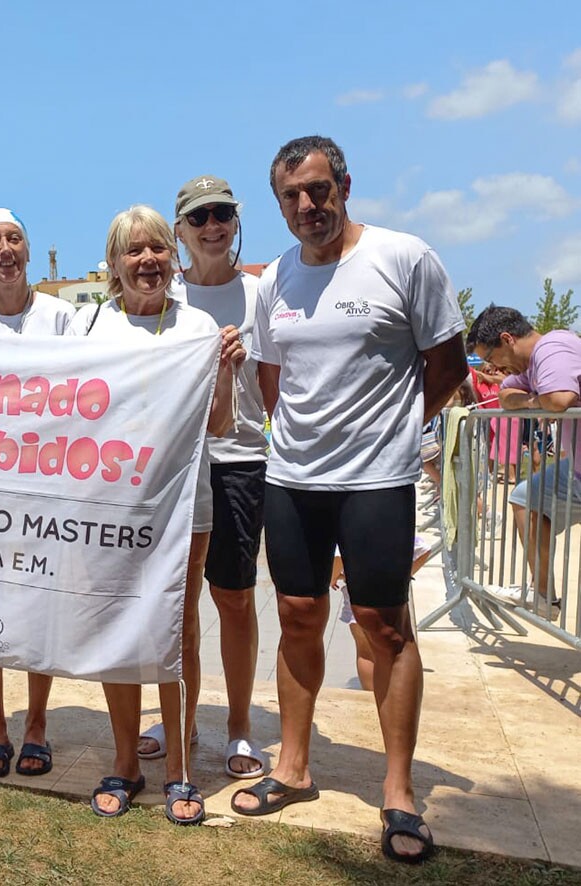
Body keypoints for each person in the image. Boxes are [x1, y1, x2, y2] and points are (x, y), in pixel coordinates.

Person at [238, 136, 466, 865]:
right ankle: (292, 766)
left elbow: (448, 366)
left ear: (342, 185)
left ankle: (397, 793)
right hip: (293, 479)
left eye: (316, 190)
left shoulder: (404, 258)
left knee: (383, 627)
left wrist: (393, 432)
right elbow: (273, 379)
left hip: (377, 479)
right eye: (291, 197)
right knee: (297, 615)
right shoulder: (276, 278)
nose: (306, 206)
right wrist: (302, 438)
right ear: (278, 205)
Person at [67, 205, 244, 825]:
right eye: (133, 251)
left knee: (178, 629)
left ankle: (178, 766)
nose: (147, 261)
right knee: (116, 627)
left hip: (183, 507)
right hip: (107, 507)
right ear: (113, 264)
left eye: (157, 250)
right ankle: (125, 761)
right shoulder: (89, 331)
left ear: (173, 256)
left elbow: (219, 425)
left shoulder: (199, 326)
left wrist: (224, 373)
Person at [133, 176, 268, 781]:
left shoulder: (260, 293)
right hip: (173, 470)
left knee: (234, 600)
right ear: (180, 230)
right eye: (199, 217)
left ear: (235, 222)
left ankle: (238, 726)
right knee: (175, 606)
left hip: (239, 462)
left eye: (223, 214)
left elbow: (276, 388)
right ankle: (179, 718)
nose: (212, 225)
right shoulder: (164, 294)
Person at [0, 209, 75, 779]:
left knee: (40, 608)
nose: (5, 250)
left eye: (14, 239)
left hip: (47, 488)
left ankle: (37, 726)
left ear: (28, 252)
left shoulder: (63, 318)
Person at [466, 305, 579, 620]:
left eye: (491, 357)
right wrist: (534, 400)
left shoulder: (553, 347)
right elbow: (506, 395)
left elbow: (559, 400)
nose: (493, 366)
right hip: (576, 470)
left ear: (506, 339)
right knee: (523, 497)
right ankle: (543, 596)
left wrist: (539, 400)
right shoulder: (533, 365)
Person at [331, 536, 435, 692]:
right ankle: (396, 697)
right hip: (389, 597)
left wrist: (332, 578)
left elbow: (338, 556)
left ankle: (371, 697)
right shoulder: (390, 522)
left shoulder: (347, 521)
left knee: (365, 652)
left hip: (357, 598)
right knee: (395, 651)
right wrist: (403, 577)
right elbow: (424, 550)